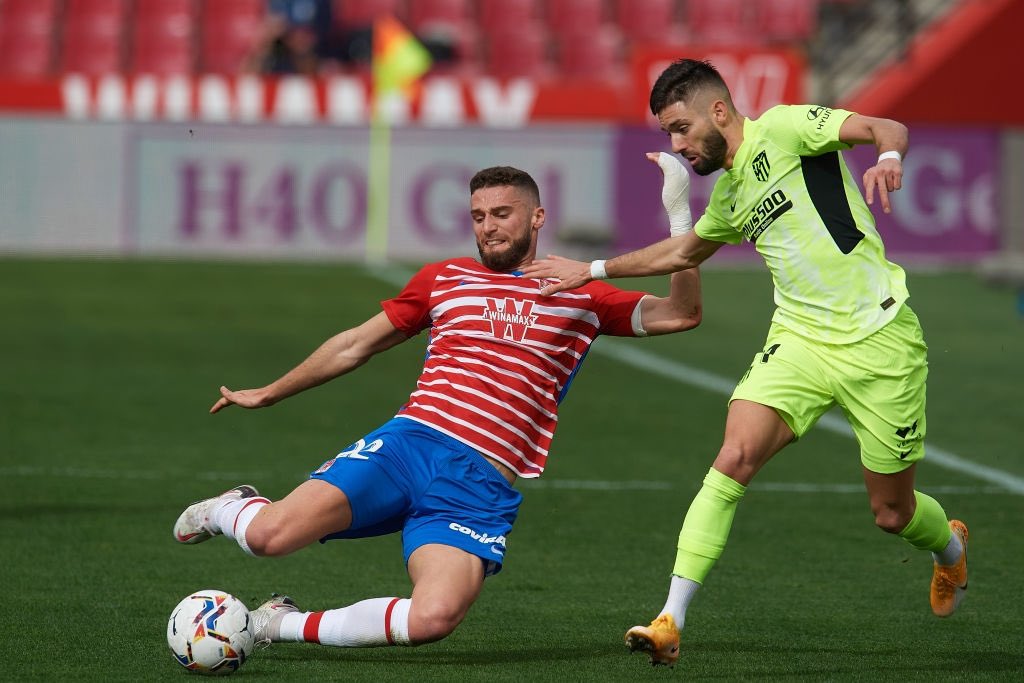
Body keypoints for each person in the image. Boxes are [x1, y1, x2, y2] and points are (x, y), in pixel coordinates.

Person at [522, 58, 969, 667]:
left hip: (881, 340)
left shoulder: (786, 128)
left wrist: (888, 160)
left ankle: (949, 549)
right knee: (732, 458)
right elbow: (684, 251)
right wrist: (590, 269)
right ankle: (669, 620)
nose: (677, 145)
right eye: (667, 135)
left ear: (719, 111)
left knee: (891, 514)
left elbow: (886, 127)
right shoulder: (732, 195)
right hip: (800, 342)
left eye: (681, 129)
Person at [172, 161, 703, 651]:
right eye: (477, 216)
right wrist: (269, 392)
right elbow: (356, 343)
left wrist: (680, 214)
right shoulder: (444, 279)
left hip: (477, 485)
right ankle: (228, 506)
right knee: (267, 538)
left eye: (501, 213)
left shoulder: (583, 293)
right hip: (409, 446)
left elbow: (683, 313)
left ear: (537, 216)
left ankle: (275, 623)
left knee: (433, 619)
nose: (488, 226)